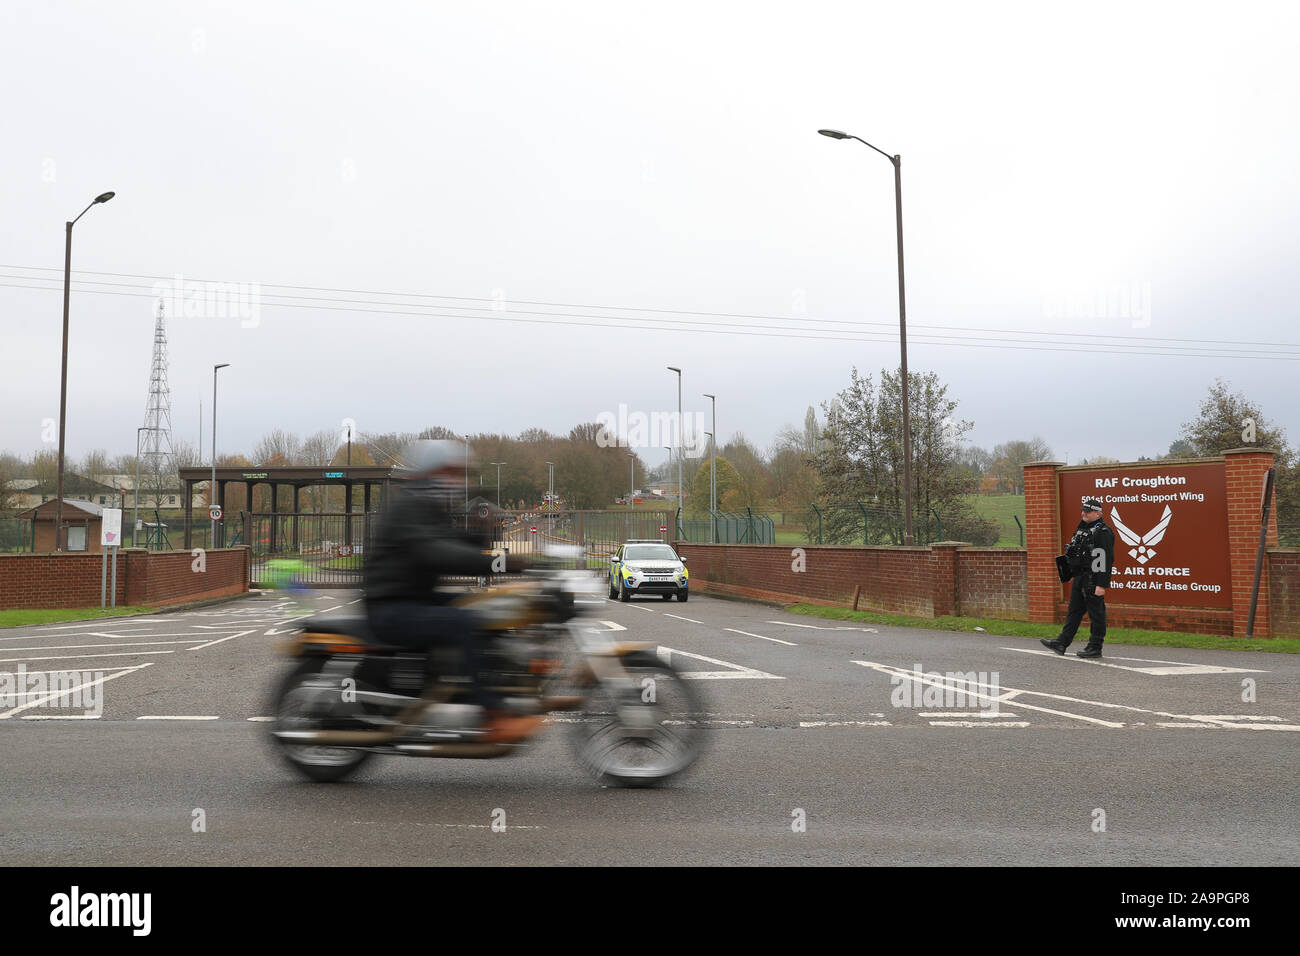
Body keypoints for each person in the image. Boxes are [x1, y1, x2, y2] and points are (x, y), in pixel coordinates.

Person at [364, 439, 540, 742]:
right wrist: (502, 563)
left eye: (460, 474)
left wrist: (484, 536)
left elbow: (453, 541)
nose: (457, 481)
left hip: (414, 597)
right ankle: (493, 714)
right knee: (463, 622)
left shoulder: (428, 505)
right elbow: (438, 552)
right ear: (428, 472)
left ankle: (476, 684)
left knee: (482, 609)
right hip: (391, 606)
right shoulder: (410, 506)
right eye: (450, 472)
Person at [1041, 497, 1115, 658]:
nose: (1084, 513)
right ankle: (1061, 642)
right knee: (1073, 611)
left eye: (1088, 511)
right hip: (1080, 577)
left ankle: (1095, 647)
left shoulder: (1103, 532)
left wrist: (1101, 585)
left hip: (1093, 578)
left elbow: (1105, 559)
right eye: (1083, 510)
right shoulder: (1083, 528)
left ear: (1098, 513)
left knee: (1096, 614)